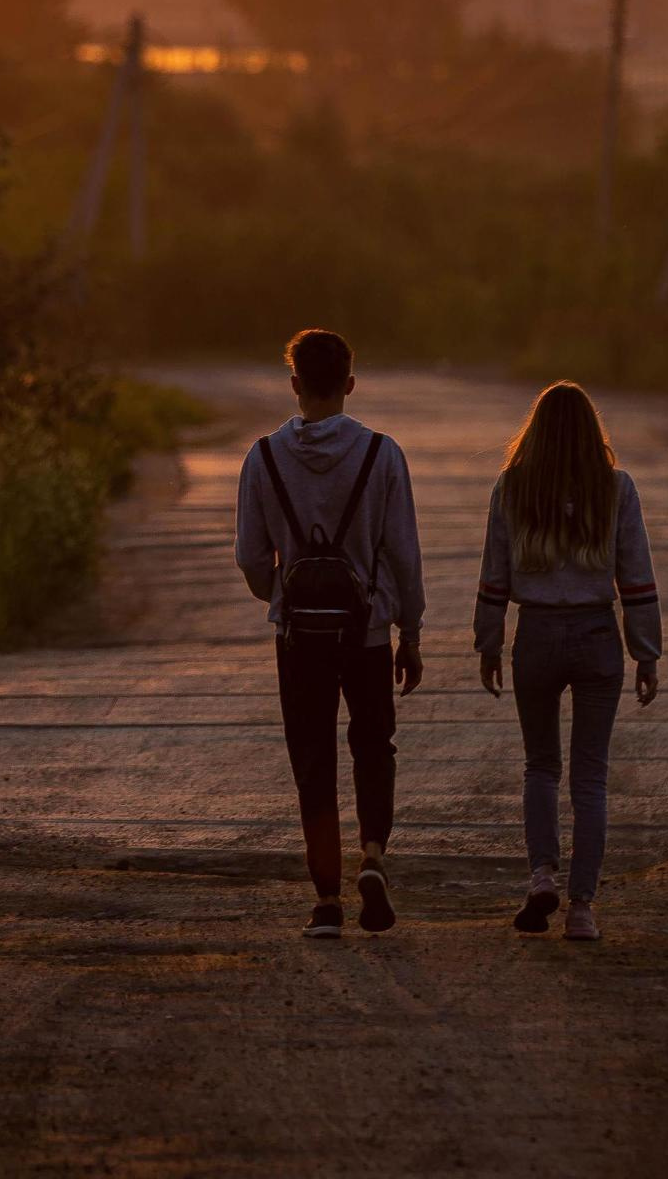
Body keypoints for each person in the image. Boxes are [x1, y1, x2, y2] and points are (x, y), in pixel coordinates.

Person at [235, 328, 424, 938]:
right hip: (365, 632)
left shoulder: (262, 458)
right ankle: (372, 855)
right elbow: (403, 554)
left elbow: (248, 555)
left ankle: (325, 901)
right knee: (373, 747)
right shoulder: (382, 454)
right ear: (349, 383)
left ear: (295, 384)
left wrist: (282, 595)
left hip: (299, 638)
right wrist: (410, 630)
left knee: (312, 759)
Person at [473, 381, 661, 943]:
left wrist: (488, 642)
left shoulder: (513, 487)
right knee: (591, 777)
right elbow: (636, 575)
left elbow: (494, 574)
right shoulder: (616, 489)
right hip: (597, 634)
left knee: (540, 766)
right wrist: (645, 653)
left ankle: (540, 876)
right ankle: (582, 908)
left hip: (535, 634)